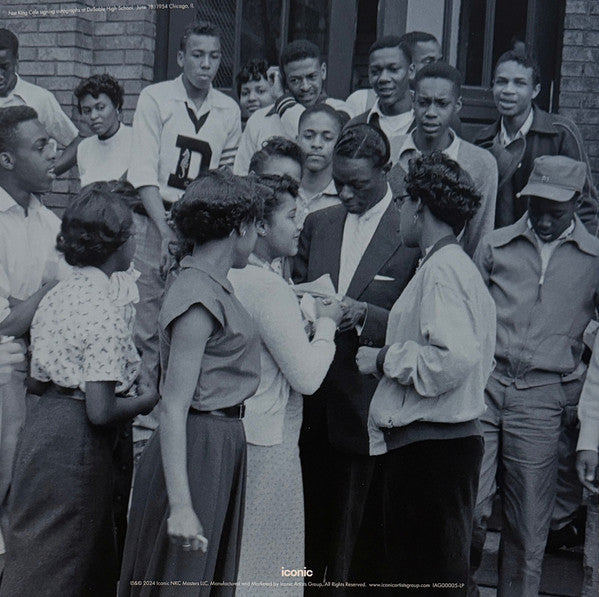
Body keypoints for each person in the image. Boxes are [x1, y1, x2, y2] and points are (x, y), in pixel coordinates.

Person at [0, 185, 158, 597]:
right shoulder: (105, 309)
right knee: (69, 557)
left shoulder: (58, 295)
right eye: (131, 235)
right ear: (117, 246)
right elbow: (100, 410)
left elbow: (35, 379)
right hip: (79, 443)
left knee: (37, 547)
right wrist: (146, 400)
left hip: (42, 428)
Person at [357, 151, 496, 594]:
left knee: (422, 582)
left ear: (419, 206)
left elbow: (454, 358)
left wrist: (382, 359)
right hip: (440, 449)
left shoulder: (442, 271)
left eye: (401, 202)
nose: (398, 212)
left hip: (430, 454)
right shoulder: (456, 268)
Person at [119, 170, 263, 595]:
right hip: (199, 446)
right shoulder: (198, 295)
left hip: (218, 444)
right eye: (256, 226)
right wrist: (181, 506)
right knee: (180, 582)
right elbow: (175, 403)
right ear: (239, 228)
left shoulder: (212, 285)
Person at [293, 123, 420, 590]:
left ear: (386, 173)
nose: (345, 193)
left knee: (352, 544)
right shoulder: (318, 222)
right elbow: (298, 287)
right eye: (338, 182)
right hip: (310, 403)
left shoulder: (408, 229)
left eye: (358, 185)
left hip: (368, 407)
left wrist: (366, 315)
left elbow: (418, 320)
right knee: (304, 537)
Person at [469, 155, 599, 597]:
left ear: (578, 203)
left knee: (528, 524)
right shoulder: (495, 245)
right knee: (469, 507)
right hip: (485, 387)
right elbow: (465, 316)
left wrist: (577, 381)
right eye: (535, 207)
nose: (543, 219)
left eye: (556, 211)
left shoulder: (594, 259)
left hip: (544, 396)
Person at [127, 20, 243, 460]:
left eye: (214, 57)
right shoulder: (156, 97)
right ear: (181, 58)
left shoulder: (228, 110)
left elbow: (225, 174)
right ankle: (140, 432)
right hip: (158, 217)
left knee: (190, 323)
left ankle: (174, 434)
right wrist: (166, 231)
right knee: (147, 324)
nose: (206, 65)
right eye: (198, 55)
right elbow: (141, 170)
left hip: (203, 226)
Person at [229, 174, 343, 593]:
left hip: (242, 432)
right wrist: (326, 326)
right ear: (260, 225)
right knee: (269, 566)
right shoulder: (266, 285)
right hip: (269, 440)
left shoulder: (236, 273)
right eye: (292, 216)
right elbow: (308, 378)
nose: (300, 225)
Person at [0, 106, 72, 536]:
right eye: (40, 145)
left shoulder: (49, 221)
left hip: (40, 380)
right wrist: (49, 288)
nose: (55, 153)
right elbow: (6, 327)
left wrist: (24, 303)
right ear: (6, 160)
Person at [473, 50, 599, 233]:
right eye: (501, 82)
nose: (508, 90)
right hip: (498, 252)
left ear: (535, 90)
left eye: (519, 83)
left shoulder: (561, 133)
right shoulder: (483, 140)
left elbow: (585, 205)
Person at [388, 62, 497, 256]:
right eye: (423, 102)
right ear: (413, 100)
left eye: (441, 104)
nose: (431, 113)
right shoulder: (391, 149)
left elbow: (478, 238)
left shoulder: (481, 163)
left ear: (458, 105)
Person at [234, 39, 352, 175]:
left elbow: (310, 126)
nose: (305, 86)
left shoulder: (340, 109)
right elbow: (241, 174)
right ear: (283, 80)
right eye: (295, 80)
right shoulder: (259, 119)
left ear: (323, 71)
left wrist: (281, 99)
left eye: (312, 77)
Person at [0, 28, 79, 175]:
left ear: (16, 60)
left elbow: (75, 143)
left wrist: (46, 173)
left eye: (4, 67)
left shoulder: (39, 98)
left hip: (24, 196)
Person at [346, 36, 414, 160]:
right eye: (375, 71)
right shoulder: (357, 126)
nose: (383, 78)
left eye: (393, 70)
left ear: (411, 71)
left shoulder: (431, 123)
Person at [74, 74, 131, 187]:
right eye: (87, 111)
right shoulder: (84, 148)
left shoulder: (137, 141)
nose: (93, 116)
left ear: (116, 105)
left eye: (100, 108)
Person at [296, 104, 345, 226]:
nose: (316, 144)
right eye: (308, 136)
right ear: (297, 140)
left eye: (327, 138)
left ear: (339, 144)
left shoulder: (345, 198)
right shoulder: (283, 190)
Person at [236, 59, 277, 128]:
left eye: (260, 91)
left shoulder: (287, 128)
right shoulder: (235, 131)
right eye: (245, 93)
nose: (251, 98)